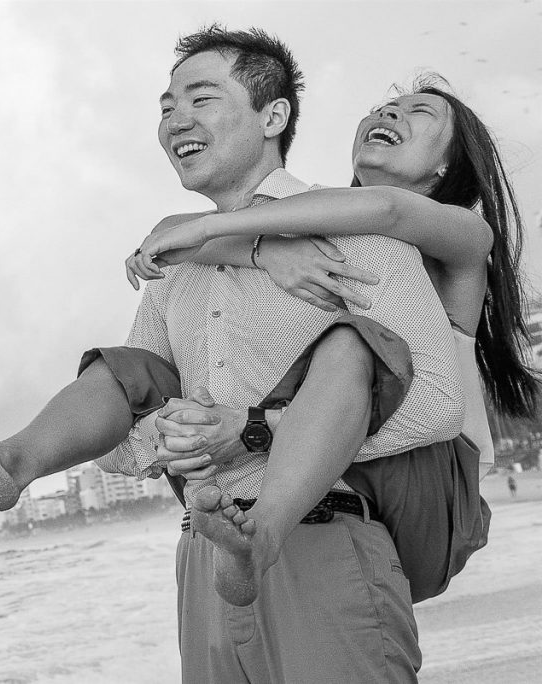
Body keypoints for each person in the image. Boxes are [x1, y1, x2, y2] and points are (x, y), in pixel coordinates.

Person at [0, 26, 520, 680]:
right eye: (166, 106)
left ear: (273, 116)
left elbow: (433, 396)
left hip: (343, 528)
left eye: (201, 99)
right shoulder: (187, 264)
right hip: (206, 558)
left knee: (355, 349)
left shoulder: (409, 243)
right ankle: (11, 461)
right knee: (130, 371)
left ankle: (264, 527)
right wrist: (164, 435)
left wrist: (246, 428)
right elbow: (121, 445)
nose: (175, 118)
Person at [121, 76, 539, 607]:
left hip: (429, 483)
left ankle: (262, 531)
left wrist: (213, 235)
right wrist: (263, 249)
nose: (389, 114)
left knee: (350, 345)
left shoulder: (464, 237)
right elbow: (171, 225)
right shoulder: (325, 229)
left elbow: (389, 211)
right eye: (383, 106)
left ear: (447, 166)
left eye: (420, 112)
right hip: (353, 473)